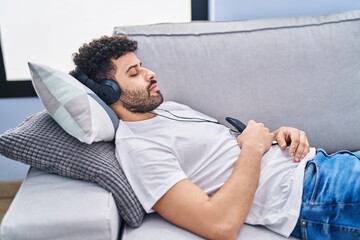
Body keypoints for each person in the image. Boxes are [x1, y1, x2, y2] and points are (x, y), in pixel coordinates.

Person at [71, 35, 360, 240]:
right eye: (134, 73)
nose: (150, 73)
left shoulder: (168, 109)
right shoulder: (139, 148)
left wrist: (276, 137)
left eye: (142, 65)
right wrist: (252, 147)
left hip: (326, 165)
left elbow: (227, 156)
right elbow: (219, 225)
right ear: (109, 92)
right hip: (313, 196)